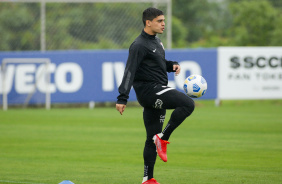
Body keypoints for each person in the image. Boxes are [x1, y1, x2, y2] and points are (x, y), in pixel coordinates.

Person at [116, 7, 195, 184]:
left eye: (163, 21)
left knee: (150, 137)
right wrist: (123, 97)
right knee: (188, 104)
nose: (163, 24)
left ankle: (148, 179)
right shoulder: (138, 45)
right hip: (150, 91)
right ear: (148, 22)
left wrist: (171, 65)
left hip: (155, 90)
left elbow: (157, 64)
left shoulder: (156, 42)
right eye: (160, 21)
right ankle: (163, 139)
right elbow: (130, 70)